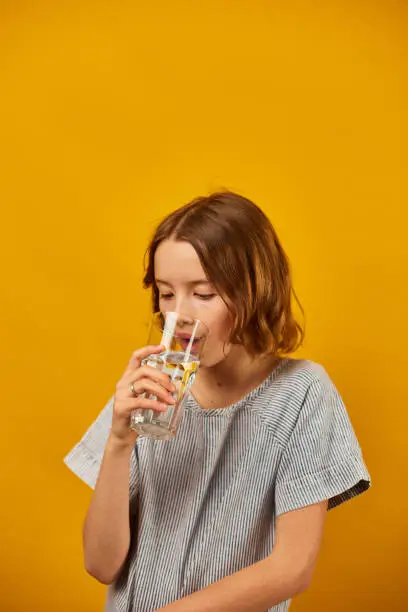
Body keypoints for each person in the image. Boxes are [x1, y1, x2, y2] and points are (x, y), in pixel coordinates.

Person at [64, 191, 371, 612]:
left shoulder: (301, 393)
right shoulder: (150, 387)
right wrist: (118, 443)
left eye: (203, 294)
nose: (179, 316)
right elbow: (101, 564)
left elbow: (292, 568)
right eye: (166, 294)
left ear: (254, 292)